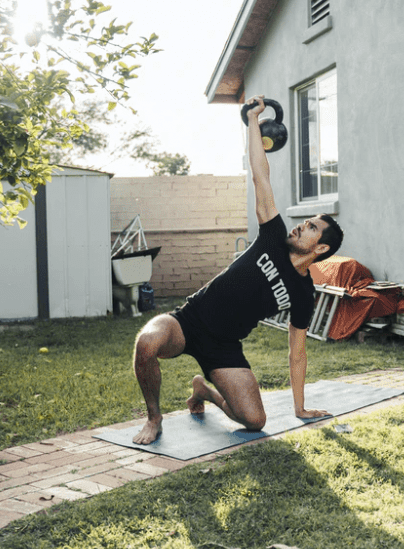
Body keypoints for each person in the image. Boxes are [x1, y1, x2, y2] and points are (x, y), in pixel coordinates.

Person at [131, 95, 344, 444]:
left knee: (254, 421)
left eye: (309, 228)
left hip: (225, 347)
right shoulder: (273, 236)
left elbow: (297, 352)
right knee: (147, 343)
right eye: (304, 222)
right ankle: (154, 419)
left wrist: (300, 408)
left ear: (320, 248)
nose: (299, 227)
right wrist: (253, 124)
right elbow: (261, 176)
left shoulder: (304, 294)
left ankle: (204, 390)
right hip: (189, 320)